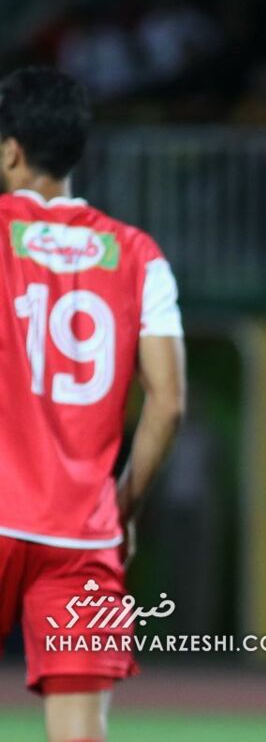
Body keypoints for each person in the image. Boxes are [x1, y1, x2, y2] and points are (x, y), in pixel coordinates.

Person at [0, 67, 186, 742]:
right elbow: (168, 403)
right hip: (82, 532)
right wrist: (121, 505)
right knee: (79, 732)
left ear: (11, 150)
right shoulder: (138, 255)